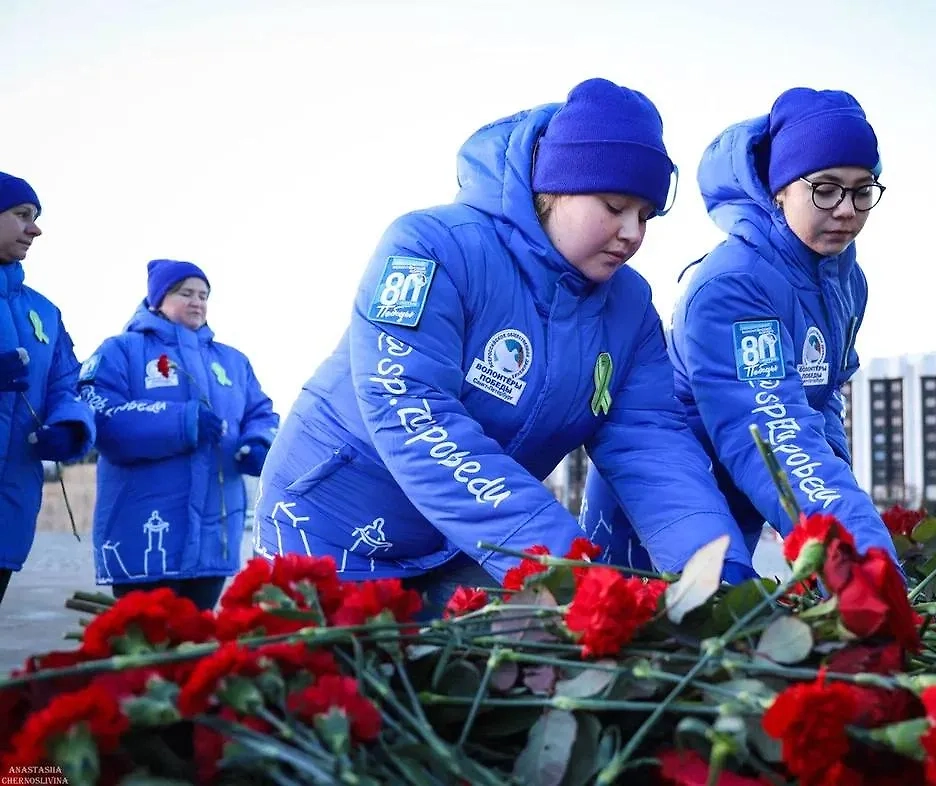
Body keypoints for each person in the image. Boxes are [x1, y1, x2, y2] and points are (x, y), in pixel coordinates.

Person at [255, 77, 757, 615]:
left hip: (468, 546)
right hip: (332, 529)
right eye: (615, 206)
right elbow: (411, 409)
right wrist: (559, 560)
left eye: (646, 216)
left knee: (505, 662)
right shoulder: (432, 248)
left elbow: (651, 446)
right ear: (555, 187)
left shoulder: (628, 309)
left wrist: (712, 564)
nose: (633, 233)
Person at [581, 87, 897, 570]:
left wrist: (837, 499)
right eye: (826, 189)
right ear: (780, 188)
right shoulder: (733, 283)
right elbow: (771, 427)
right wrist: (858, 557)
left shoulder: (845, 282)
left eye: (862, 190)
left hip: (747, 496)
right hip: (664, 510)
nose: (847, 208)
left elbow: (822, 395)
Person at [79, 259, 279, 610]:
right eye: (186, 293)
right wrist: (182, 422)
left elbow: (260, 413)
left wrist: (259, 443)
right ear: (158, 299)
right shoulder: (121, 351)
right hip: (141, 531)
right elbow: (101, 416)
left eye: (203, 295)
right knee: (145, 636)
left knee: (197, 635)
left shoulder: (233, 361)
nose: (197, 302)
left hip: (213, 536)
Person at [0, 173, 96, 607]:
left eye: (35, 217)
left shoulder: (44, 312)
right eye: (22, 215)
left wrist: (70, 426)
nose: (35, 229)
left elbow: (67, 384)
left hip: (10, 506)